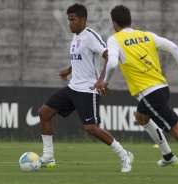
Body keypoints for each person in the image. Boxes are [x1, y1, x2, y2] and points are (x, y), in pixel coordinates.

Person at [94, 5, 178, 179]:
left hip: (150, 94)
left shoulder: (114, 39)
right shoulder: (146, 35)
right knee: (141, 116)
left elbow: (113, 63)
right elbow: (173, 47)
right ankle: (168, 156)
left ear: (115, 24)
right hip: (162, 88)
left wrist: (105, 82)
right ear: (131, 20)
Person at [38, 3, 133, 173]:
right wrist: (68, 70)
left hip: (88, 90)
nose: (70, 23)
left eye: (73, 19)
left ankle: (124, 154)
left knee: (91, 128)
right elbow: (80, 58)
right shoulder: (76, 37)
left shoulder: (91, 36)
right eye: (68, 20)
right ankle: (48, 156)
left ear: (83, 19)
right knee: (44, 112)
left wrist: (102, 80)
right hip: (73, 87)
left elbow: (110, 57)